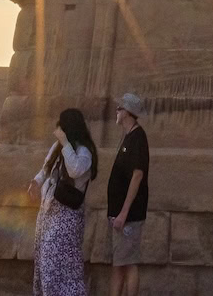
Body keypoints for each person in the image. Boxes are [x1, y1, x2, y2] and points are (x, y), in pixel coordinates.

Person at [30, 107, 97, 296]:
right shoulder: (58, 147)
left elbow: (75, 170)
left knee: (58, 265)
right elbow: (46, 169)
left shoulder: (84, 151)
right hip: (48, 213)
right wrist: (35, 182)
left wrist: (66, 143)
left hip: (67, 215)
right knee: (43, 263)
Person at [106, 92, 150, 296]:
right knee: (121, 264)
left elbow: (138, 175)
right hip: (121, 214)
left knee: (127, 264)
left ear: (128, 113)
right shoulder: (128, 137)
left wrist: (124, 213)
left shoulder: (138, 138)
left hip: (128, 216)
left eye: (120, 108)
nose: (117, 111)